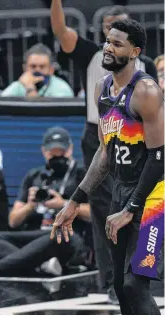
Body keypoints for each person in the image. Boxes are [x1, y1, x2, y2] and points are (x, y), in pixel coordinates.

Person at [51, 20, 164, 315]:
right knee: (118, 286)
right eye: (107, 41)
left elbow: (159, 157)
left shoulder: (146, 91)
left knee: (134, 285)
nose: (108, 48)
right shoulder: (101, 89)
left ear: (135, 51)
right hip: (121, 191)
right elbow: (104, 152)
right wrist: (75, 201)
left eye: (117, 44)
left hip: (154, 196)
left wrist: (131, 209)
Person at [0, 127, 90, 277]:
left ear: (70, 149)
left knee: (62, 234)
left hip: (65, 235)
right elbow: (13, 221)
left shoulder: (83, 174)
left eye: (62, 152)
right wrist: (30, 206)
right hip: (34, 236)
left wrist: (63, 204)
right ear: (44, 151)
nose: (57, 157)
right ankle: (41, 264)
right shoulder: (34, 175)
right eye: (53, 153)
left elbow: (95, 213)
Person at [1, 43, 74, 98]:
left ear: (51, 70)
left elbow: (40, 115)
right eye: (33, 66)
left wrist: (30, 88)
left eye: (42, 66)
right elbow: (0, 106)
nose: (37, 70)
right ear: (25, 68)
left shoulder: (61, 88)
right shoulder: (18, 85)